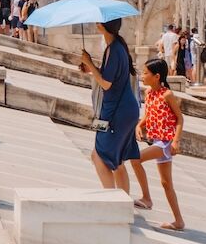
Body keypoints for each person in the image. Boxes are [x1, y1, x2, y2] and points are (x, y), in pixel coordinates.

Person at [79, 18, 151, 207]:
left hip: (116, 113)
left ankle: (112, 204)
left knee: (99, 157)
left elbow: (106, 83)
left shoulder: (114, 49)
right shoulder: (117, 46)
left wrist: (89, 63)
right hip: (125, 110)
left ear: (102, 26)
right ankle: (123, 203)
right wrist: (90, 69)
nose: (95, 23)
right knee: (117, 160)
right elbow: (111, 77)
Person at [134, 59, 186, 231]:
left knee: (135, 159)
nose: (142, 75)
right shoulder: (149, 93)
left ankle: (147, 198)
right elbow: (149, 115)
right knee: (166, 183)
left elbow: (180, 118)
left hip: (166, 142)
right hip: (158, 140)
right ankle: (179, 221)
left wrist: (176, 141)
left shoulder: (167, 95)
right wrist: (139, 126)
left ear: (156, 76)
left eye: (145, 73)